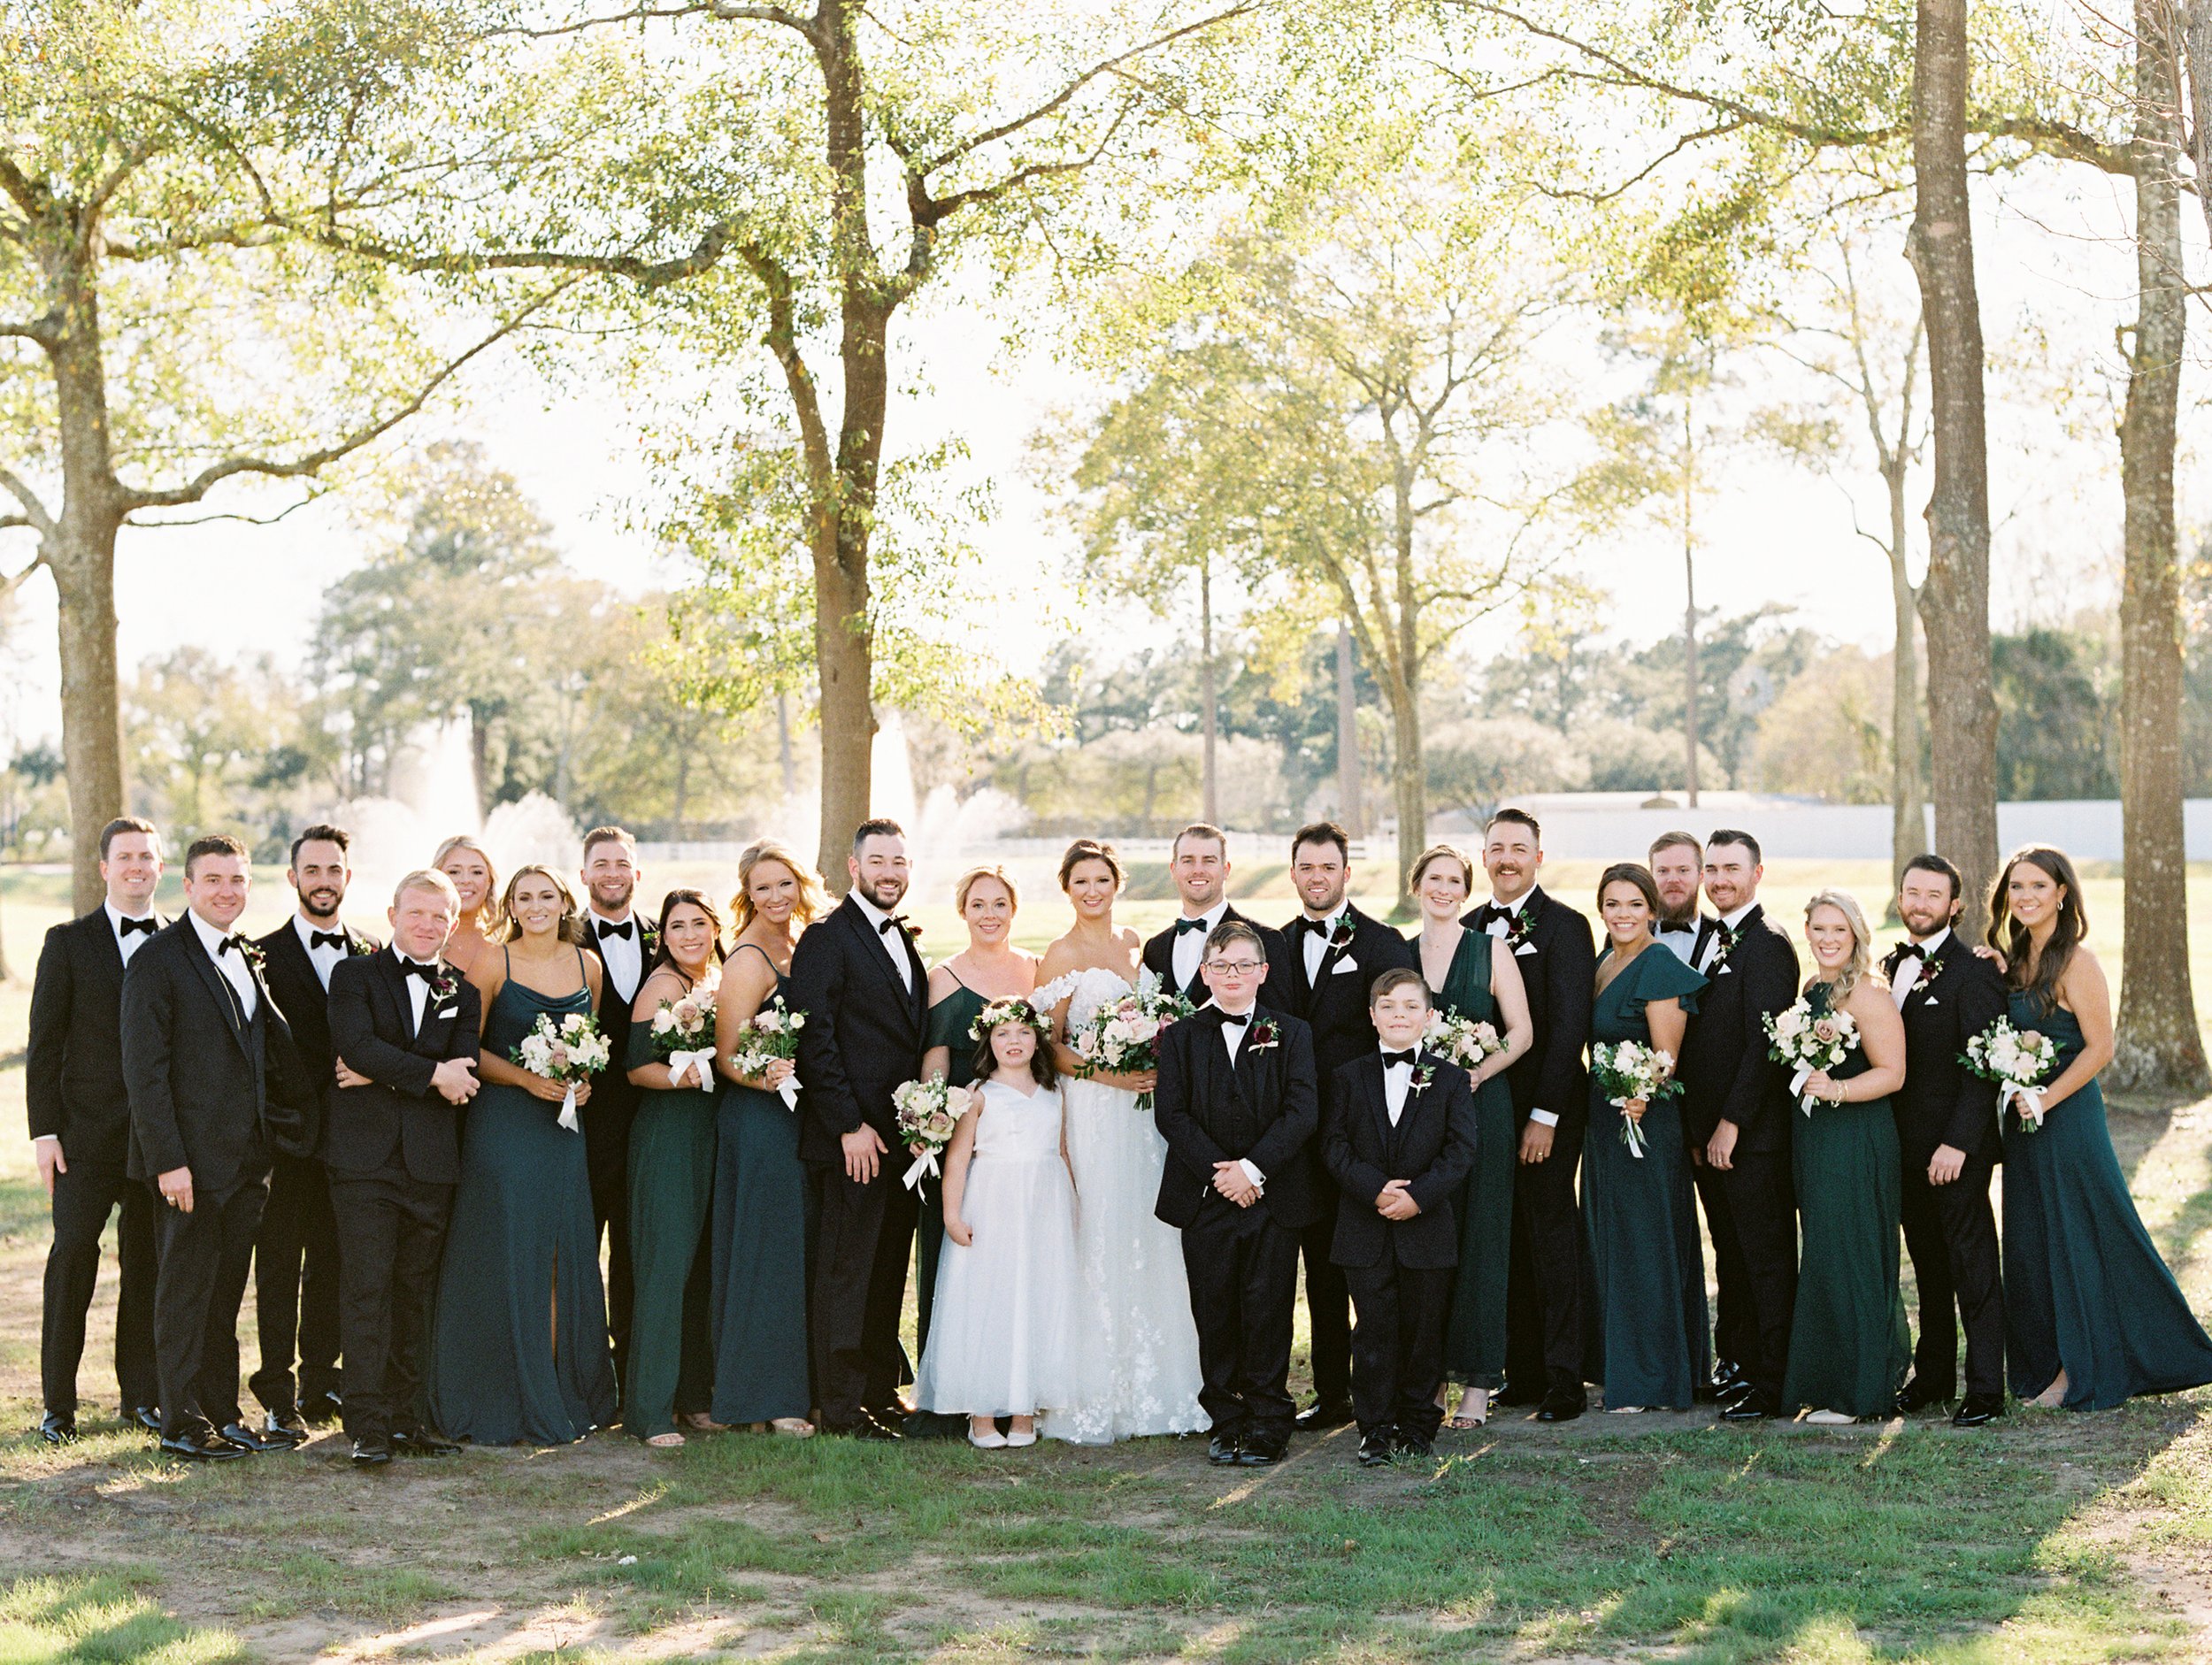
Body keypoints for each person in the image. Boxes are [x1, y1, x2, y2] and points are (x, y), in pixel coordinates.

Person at [1988, 845, 2212, 1410]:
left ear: (2063, 894)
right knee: (2032, 1239)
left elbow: (2100, 1048)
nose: (2026, 897)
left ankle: (2078, 1369)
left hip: (2067, 1118)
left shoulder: (2076, 962)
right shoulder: (2012, 960)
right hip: (2023, 1122)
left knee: (2080, 1235)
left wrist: (2044, 1098)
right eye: (2017, 887)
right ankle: (2043, 1363)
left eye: (2038, 886)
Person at [121, 833, 312, 1461]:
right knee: (184, 1293)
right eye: (214, 880)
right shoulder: (158, 958)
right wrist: (168, 1162)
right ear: (189, 886)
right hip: (187, 1165)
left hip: (245, 1164)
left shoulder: (245, 953)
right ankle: (180, 1422)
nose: (227, 891)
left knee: (225, 1292)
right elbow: (145, 1073)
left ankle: (222, 1410)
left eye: (237, 880)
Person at [427, 864, 618, 1445]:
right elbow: (469, 1052)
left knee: (560, 1256)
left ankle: (556, 1390)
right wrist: (526, 1081)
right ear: (510, 904)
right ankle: (498, 1391)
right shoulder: (493, 960)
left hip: (563, 1130)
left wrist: (584, 1083)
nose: (536, 906)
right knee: (508, 1252)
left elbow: (593, 1046)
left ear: (565, 901)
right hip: (505, 1126)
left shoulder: (589, 965)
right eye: (524, 897)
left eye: (547, 896)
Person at [1036, 839, 1208, 1445]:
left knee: (1150, 1230)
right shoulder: (1058, 955)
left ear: (1117, 885)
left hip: (1141, 1116)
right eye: (1080, 882)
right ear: (1067, 889)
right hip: (1092, 1110)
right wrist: (1105, 1073)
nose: (1092, 891)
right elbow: (1049, 1044)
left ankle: (1163, 1385)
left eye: (1101, 881)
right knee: (1099, 1230)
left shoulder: (1137, 944)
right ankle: (1094, 1391)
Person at [324, 871, 481, 1467]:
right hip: (365, 1164)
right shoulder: (355, 975)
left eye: (440, 916)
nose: (427, 925)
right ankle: (366, 1426)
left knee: (415, 1292)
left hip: (431, 1165)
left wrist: (388, 1072)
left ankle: (406, 1420)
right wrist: (428, 1074)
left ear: (453, 922)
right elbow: (354, 1047)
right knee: (368, 1288)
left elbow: (462, 1073)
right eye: (417, 913)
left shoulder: (462, 992)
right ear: (393, 914)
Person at [1155, 920, 1320, 1465]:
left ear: (1264, 972)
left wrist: (1251, 1169)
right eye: (1222, 965)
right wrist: (1219, 1172)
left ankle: (1270, 1418)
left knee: (1268, 1307)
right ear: (1205, 973)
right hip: (1204, 1197)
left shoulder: (1292, 1033)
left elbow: (1301, 1112)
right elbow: (1171, 1115)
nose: (1233, 974)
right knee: (1216, 1307)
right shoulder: (1180, 1037)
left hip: (1273, 1197)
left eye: (1245, 965)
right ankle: (1225, 1418)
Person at [790, 818, 929, 1440]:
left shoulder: (903, 937)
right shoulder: (826, 937)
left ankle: (877, 1390)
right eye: (879, 861)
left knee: (883, 1273)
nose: (890, 872)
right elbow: (814, 1038)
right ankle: (842, 1410)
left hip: (900, 1142)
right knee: (847, 1274)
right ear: (853, 867)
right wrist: (848, 1125)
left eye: (899, 861)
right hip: (854, 1143)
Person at [28, 817, 165, 1443]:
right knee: (73, 1261)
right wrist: (44, 1133)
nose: (137, 866)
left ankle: (139, 1398)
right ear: (104, 868)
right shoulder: (67, 942)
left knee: (146, 1267)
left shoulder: (179, 945)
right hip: (83, 1140)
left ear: (161, 868)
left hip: (155, 1141)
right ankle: (58, 1404)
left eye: (147, 856)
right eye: (125, 857)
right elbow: (45, 1045)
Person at [1276, 820, 1415, 1432]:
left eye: (1327, 866)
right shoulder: (1275, 946)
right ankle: (1330, 1394)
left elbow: (1399, 1032)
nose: (1316, 877)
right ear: (1294, 873)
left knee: (1371, 1272)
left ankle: (1381, 1395)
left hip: (1362, 1140)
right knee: (1320, 1269)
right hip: (1297, 1141)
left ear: (1345, 872)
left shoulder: (1383, 943)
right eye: (1306, 867)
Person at [1462, 808, 1595, 1423]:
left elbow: (1569, 1027)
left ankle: (1566, 1378)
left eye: (1519, 848)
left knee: (1551, 1234)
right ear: (1483, 857)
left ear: (1539, 857)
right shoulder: (1466, 929)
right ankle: (1523, 1370)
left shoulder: (1566, 927)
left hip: (1551, 1105)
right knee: (1502, 1235)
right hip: (1486, 1109)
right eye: (1497, 848)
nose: (1507, 858)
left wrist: (1545, 1114)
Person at [249, 823, 373, 1444]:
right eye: (312, 870)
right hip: (284, 1142)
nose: (324, 882)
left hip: (354, 1143)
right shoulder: (257, 954)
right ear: (292, 877)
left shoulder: (374, 954)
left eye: (334, 871)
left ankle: (322, 1379)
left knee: (335, 1261)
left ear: (348, 877)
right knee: (277, 1266)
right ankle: (276, 1392)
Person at [1323, 969, 1477, 1466]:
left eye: (1411, 1007)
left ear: (1429, 1018)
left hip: (1426, 1226)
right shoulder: (1348, 1077)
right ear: (1372, 1016)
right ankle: (1374, 1427)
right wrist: (1373, 1189)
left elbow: (1461, 1151)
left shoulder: (1451, 1079)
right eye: (1388, 1006)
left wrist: (1419, 1196)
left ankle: (1417, 1425)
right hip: (1363, 1226)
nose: (1399, 1016)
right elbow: (1334, 1145)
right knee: (1372, 1329)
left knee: (1423, 1328)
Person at [914, 1001, 1083, 1449]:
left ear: (1039, 1041)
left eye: (1024, 1033)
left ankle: (1025, 1409)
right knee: (991, 1298)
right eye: (1004, 1033)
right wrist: (952, 1214)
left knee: (1036, 1297)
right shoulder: (977, 1093)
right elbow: (957, 1161)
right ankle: (983, 1412)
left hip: (1044, 1203)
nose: (1014, 1042)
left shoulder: (1054, 1091)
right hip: (993, 1202)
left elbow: (1062, 1151)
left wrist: (1074, 1204)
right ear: (989, 1040)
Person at [1674, 829, 1800, 1422]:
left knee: (1767, 1258)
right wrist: (1700, 1133)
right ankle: (1740, 1365)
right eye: (1713, 869)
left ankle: (1775, 1383)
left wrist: (1730, 1124)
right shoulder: (1711, 939)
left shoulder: (1768, 944)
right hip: (1709, 1140)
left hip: (1752, 1138)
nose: (1720, 879)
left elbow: (1763, 1048)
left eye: (1732, 869)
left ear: (1757, 873)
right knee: (1732, 1256)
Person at [1404, 842, 1531, 1431]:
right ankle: (1427, 1383)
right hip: (1417, 1118)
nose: (1444, 889)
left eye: (1455, 880)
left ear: (1466, 888)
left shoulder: (1490, 949)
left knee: (1483, 1239)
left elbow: (1523, 1031)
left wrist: (1476, 1070)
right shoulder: (1400, 956)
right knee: (1429, 1247)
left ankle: (1479, 1386)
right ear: (1416, 886)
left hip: (1485, 1111)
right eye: (1434, 879)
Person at [1882, 854, 2008, 1428]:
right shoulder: (1888, 965)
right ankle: (1932, 1376)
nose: (1922, 904)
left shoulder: (1974, 971)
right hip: (1904, 1150)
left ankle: (1985, 1388)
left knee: (1971, 1266)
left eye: (1935, 895)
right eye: (1913, 892)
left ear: (1955, 906)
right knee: (1928, 1268)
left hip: (1956, 1151)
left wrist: (1957, 1143)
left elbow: (1984, 1066)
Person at [1581, 863, 1709, 1414]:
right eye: (1613, 904)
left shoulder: (1660, 966)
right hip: (1603, 1122)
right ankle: (1620, 1367)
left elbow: (1666, 1059)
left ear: (1653, 909)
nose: (1623, 914)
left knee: (1644, 1242)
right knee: (1611, 1239)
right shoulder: (1606, 962)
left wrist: (1643, 1096)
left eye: (1635, 904)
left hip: (1643, 1122)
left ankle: (1652, 1379)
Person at [1778, 891, 1910, 1423]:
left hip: (1857, 1136)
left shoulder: (1870, 995)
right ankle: (1833, 1382)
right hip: (1815, 1138)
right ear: (1806, 932)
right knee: (1825, 1254)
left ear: (1856, 934)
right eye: (1819, 929)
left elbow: (1893, 1073)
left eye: (1840, 929)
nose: (1829, 939)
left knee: (1853, 1253)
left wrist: (1836, 1090)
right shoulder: (1812, 988)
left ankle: (1859, 1394)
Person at [918, 863, 1040, 1420]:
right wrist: (930, 1120)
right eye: (978, 905)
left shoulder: (1036, 970)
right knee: (961, 1263)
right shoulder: (945, 975)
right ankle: (956, 1392)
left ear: (1014, 910)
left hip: (1027, 1130)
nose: (989, 915)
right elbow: (937, 1055)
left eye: (999, 904)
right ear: (962, 912)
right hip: (965, 1132)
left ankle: (1021, 1387)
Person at [710, 840, 824, 1437]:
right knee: (767, 1254)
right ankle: (767, 1399)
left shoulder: (802, 941)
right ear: (746, 894)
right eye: (762, 887)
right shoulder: (749, 959)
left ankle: (795, 1387)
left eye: (784, 884)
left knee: (797, 1251)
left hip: (797, 1117)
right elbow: (728, 1056)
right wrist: (766, 1076)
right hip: (759, 1119)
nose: (776, 896)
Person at [623, 889, 725, 1446]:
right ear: (663, 935)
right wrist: (677, 1077)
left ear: (714, 927)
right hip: (669, 1134)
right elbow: (637, 1068)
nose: (689, 935)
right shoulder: (663, 986)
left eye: (698, 924)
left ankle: (693, 1397)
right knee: (665, 1269)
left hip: (711, 1131)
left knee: (702, 1269)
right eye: (677, 926)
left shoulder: (720, 976)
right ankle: (649, 1411)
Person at [579, 825, 657, 1408]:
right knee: (581, 1256)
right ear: (583, 875)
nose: (612, 873)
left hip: (655, 1127)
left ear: (637, 872)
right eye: (601, 864)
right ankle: (583, 1382)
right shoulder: (559, 938)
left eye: (621, 863)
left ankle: (635, 1374)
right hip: (582, 1131)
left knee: (640, 1255)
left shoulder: (671, 935)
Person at [1139, 824, 1291, 1009]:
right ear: (1173, 869)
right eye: (1188, 861)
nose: (1198, 870)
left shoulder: (1266, 940)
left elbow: (1279, 1023)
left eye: (1208, 861)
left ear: (1226, 869)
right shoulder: (1155, 948)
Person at [432, 835, 500, 979]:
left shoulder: (505, 941)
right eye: (454, 872)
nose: (465, 880)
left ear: (489, 881)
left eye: (476, 872)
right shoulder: (417, 935)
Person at [1648, 832, 1710, 965]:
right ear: (1651, 877)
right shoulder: (1627, 935)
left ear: (1701, 876)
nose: (1673, 880)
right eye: (1663, 871)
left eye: (1683, 870)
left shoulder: (1720, 935)